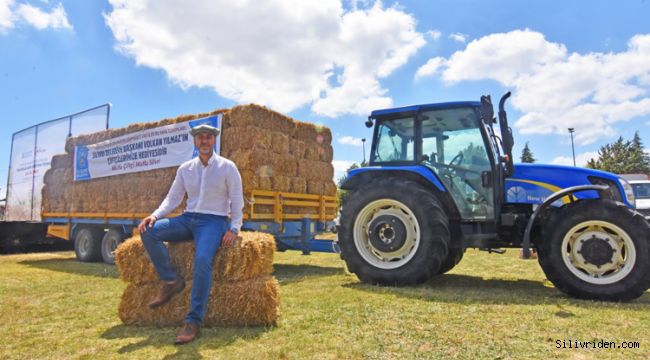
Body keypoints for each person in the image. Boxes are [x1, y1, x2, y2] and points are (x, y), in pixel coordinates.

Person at [137, 123, 243, 345]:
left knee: (202, 260)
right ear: (195, 141)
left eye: (208, 137)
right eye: (200, 137)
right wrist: (154, 216)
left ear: (214, 140)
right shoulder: (186, 168)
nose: (204, 141)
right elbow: (173, 198)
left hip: (214, 221)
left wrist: (234, 228)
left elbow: (236, 199)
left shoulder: (227, 167)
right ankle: (171, 280)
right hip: (188, 218)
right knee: (149, 231)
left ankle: (193, 320)